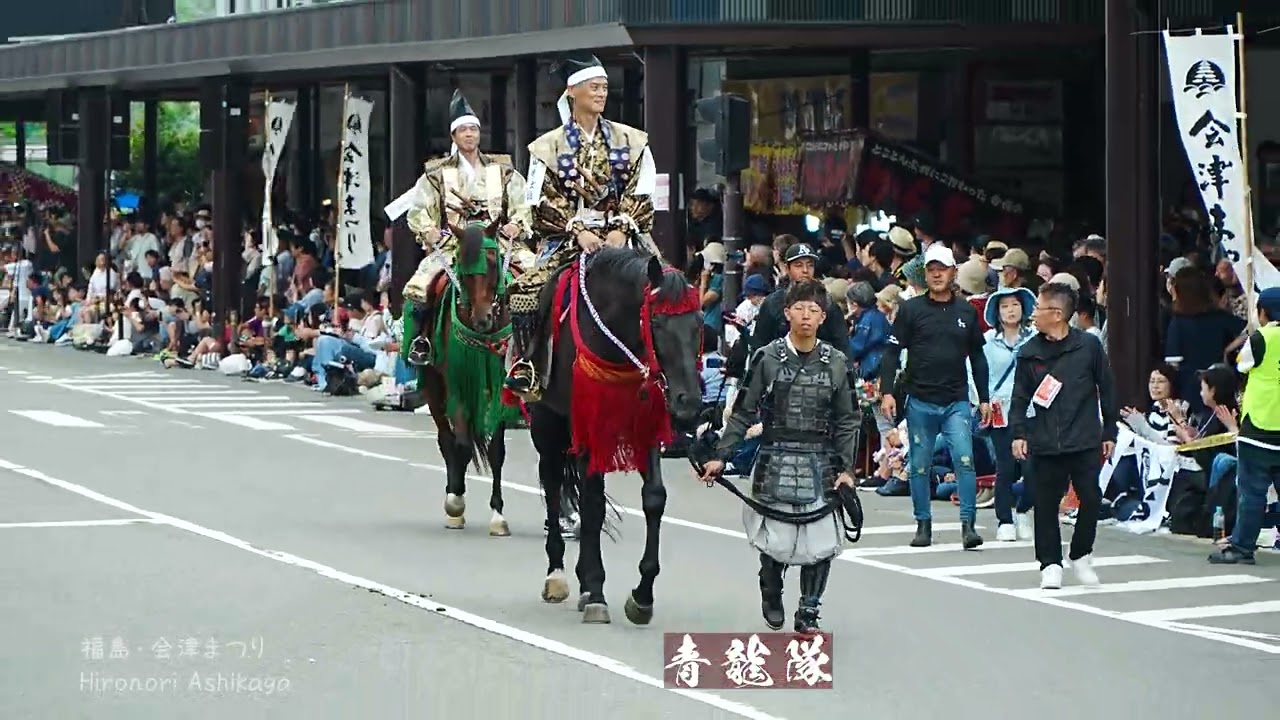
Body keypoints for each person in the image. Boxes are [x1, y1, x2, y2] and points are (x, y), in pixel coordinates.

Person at [699, 279, 860, 634]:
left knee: (821, 543)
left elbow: (849, 420)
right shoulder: (767, 357)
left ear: (823, 317)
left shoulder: (837, 363)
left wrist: (847, 469)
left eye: (813, 310)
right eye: (799, 309)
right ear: (787, 313)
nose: (806, 316)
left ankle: (809, 612)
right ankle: (771, 585)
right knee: (776, 539)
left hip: (822, 459)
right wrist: (721, 456)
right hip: (774, 456)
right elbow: (743, 412)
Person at [504, 52, 660, 401]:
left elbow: (643, 188)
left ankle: (671, 375)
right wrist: (578, 230)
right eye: (594, 87)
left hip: (625, 236)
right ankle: (528, 364)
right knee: (527, 289)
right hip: (569, 240)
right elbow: (538, 199)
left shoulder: (631, 140)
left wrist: (622, 226)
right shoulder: (547, 147)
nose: (601, 94)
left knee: (668, 287)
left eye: (605, 88)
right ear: (572, 91)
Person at [401, 89, 533, 366]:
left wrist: (515, 224)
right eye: (463, 130)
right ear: (454, 136)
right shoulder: (436, 174)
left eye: (473, 129)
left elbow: (524, 203)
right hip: (453, 245)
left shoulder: (503, 169)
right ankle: (422, 339)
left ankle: (534, 345)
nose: (470, 135)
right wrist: (429, 230)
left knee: (537, 280)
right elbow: (418, 209)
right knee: (420, 287)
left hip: (498, 243)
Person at [879, 243, 991, 549]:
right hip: (919, 400)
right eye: (931, 270)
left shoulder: (966, 311)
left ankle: (968, 526)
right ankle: (923, 524)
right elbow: (891, 352)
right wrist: (887, 392)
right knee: (918, 464)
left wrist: (983, 397)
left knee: (964, 460)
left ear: (954, 272)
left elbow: (978, 358)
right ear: (925, 275)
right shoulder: (911, 310)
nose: (937, 274)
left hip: (956, 400)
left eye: (943, 269)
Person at [1010, 282, 1118, 590]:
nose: (1033, 314)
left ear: (1057, 314)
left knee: (1092, 498)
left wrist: (1109, 429)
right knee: (1045, 504)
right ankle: (1050, 564)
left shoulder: (1089, 346)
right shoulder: (1030, 353)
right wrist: (1019, 433)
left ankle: (1081, 554)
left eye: (1038, 309)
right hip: (1044, 439)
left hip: (1084, 437)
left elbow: (1107, 387)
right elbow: (1019, 398)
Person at [1209, 287, 1280, 564]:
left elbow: (1241, 364)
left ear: (1262, 312)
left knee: (1252, 493)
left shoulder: (1261, 337)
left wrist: (1251, 335)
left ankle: (1242, 548)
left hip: (1259, 425)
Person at [981, 286, 1037, 542]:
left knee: (1033, 466)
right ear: (997, 312)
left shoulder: (1036, 338)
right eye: (1004, 306)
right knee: (1005, 466)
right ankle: (1004, 519)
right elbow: (977, 374)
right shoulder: (988, 343)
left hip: (1033, 410)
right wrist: (981, 402)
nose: (1010, 310)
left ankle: (1024, 511)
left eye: (1015, 305)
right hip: (1000, 409)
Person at [748, 242, 849, 358]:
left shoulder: (827, 303)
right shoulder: (772, 303)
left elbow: (842, 345)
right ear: (787, 268)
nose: (805, 270)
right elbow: (759, 345)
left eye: (810, 265)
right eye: (798, 265)